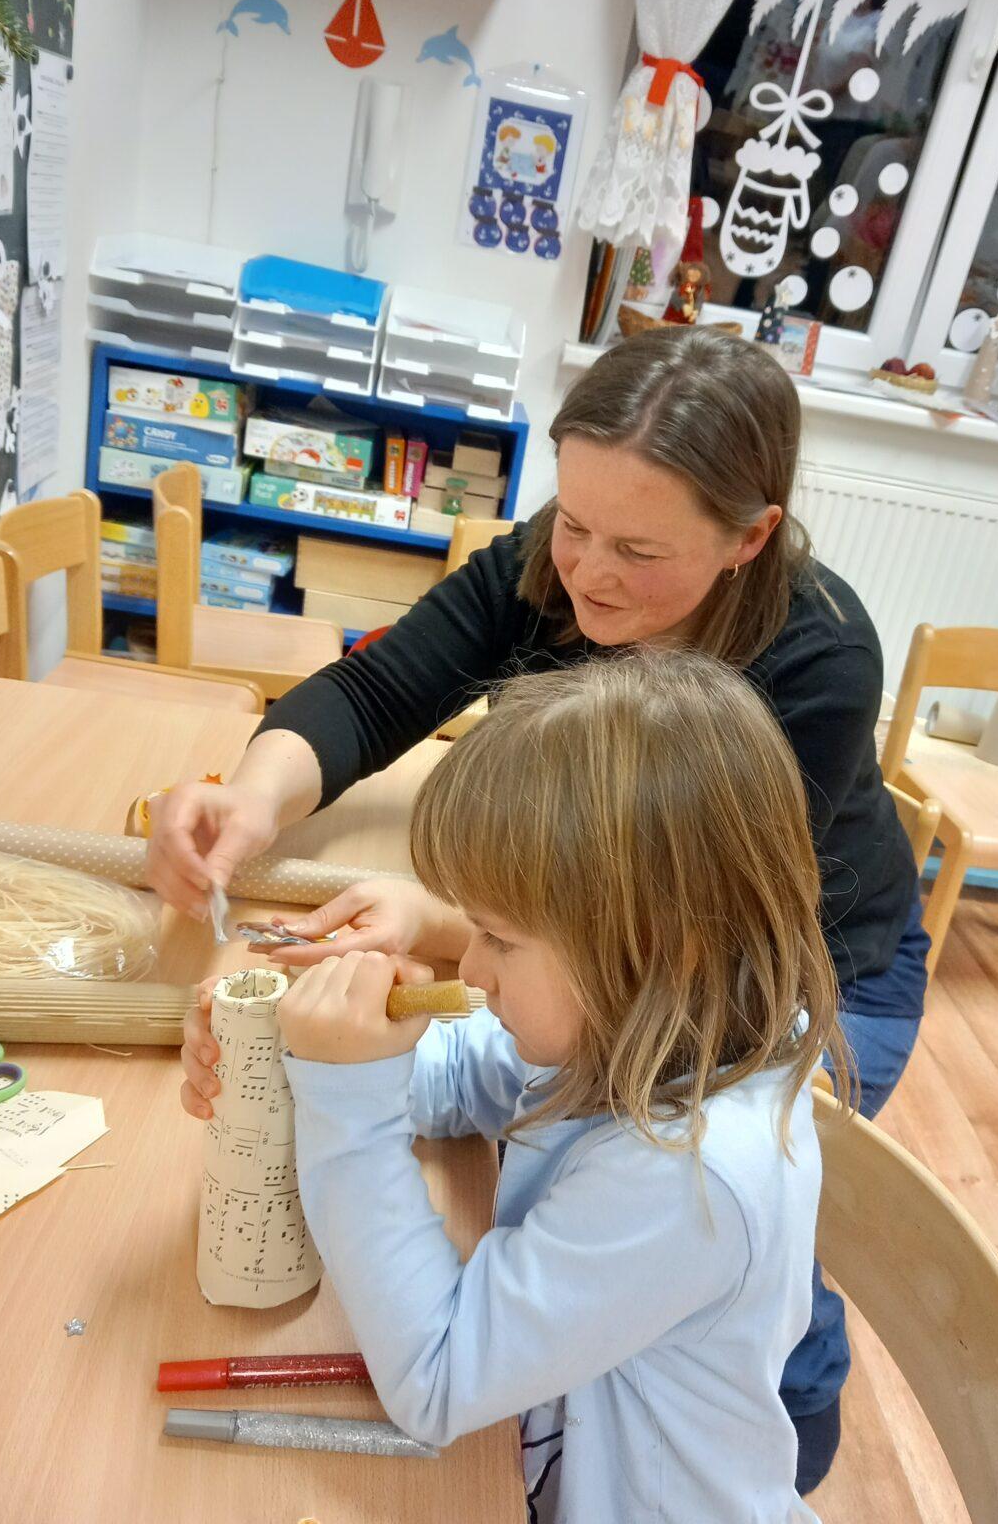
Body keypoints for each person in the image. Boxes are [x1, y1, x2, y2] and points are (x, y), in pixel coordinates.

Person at [151, 327, 929, 1490]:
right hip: (643, 980)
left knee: (753, 1220)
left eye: (634, 547)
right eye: (572, 524)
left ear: (749, 536)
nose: (586, 570)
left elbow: (438, 1376)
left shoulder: (813, 662)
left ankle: (789, 1392)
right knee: (653, 1203)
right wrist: (259, 839)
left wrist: (364, 1073)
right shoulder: (611, 1011)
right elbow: (382, 688)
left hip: (822, 956)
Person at [184, 650, 849, 1524]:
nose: (471, 967)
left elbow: (436, 1377)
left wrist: (345, 1096)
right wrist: (310, 1049)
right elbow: (468, 1076)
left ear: (656, 949)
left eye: (498, 937)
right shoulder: (662, 1018)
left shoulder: (689, 1175)